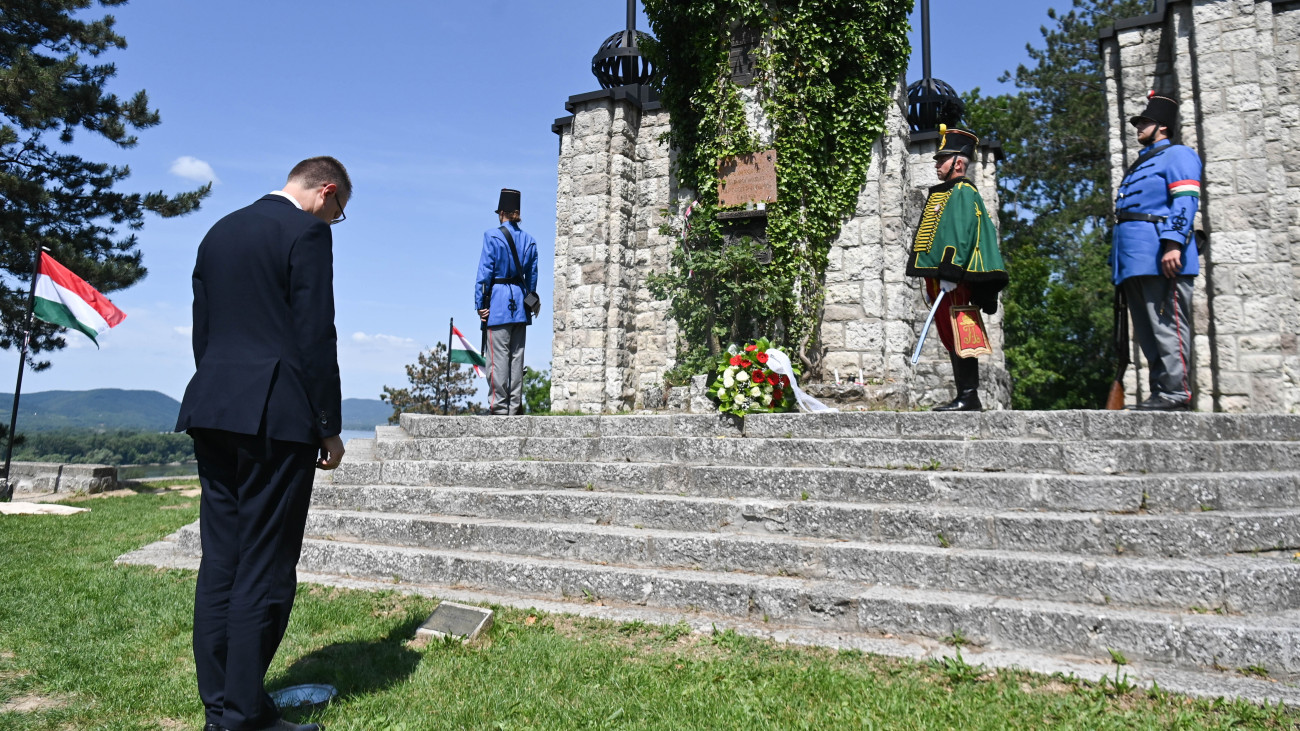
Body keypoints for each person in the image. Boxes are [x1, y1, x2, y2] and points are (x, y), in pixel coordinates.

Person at [176, 156, 350, 731]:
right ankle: (244, 717)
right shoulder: (306, 233)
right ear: (325, 191)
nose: (332, 221)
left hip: (213, 407)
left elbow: (203, 330)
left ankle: (221, 709)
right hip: (277, 416)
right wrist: (327, 424)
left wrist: (221, 392)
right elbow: (314, 333)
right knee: (266, 566)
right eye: (337, 212)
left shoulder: (219, 230)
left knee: (220, 563)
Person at [906, 127, 1008, 412]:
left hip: (954, 278)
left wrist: (951, 271)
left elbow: (961, 234)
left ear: (958, 163)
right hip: (942, 277)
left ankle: (969, 395)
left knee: (961, 333)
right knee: (950, 335)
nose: (937, 164)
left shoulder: (962, 192)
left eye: (943, 159)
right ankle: (965, 394)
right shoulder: (949, 192)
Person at [1111, 93, 1202, 411]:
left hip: (1161, 254)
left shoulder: (1178, 155)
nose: (1139, 127)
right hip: (1134, 260)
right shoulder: (1143, 162)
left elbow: (1185, 201)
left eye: (1145, 122)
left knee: (1167, 325)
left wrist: (1173, 243)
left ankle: (1176, 392)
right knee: (1148, 331)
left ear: (1162, 126)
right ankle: (1160, 391)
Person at [475, 188, 540, 415]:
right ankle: (514, 406)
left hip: (498, 303)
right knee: (516, 358)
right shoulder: (530, 241)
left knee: (497, 359)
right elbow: (532, 279)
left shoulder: (491, 236)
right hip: (521, 306)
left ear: (501, 212)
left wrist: (480, 305)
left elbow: (484, 274)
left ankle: (498, 406)